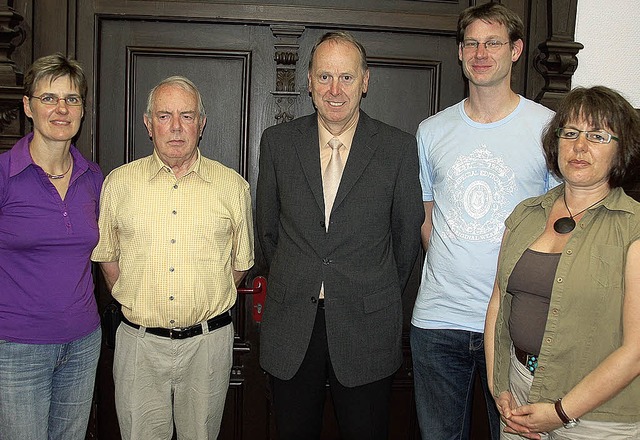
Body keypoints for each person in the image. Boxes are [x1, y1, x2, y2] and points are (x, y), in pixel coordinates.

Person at [256, 31, 423, 439]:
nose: (335, 89)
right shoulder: (278, 142)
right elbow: (267, 230)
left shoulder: (397, 148)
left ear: (365, 81)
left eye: (346, 77)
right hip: (293, 324)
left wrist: (370, 289)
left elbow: (405, 240)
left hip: (367, 326)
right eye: (324, 76)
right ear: (308, 82)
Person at [410, 3, 560, 439]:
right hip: (438, 323)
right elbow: (426, 214)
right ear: (459, 53)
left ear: (515, 51)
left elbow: (562, 217)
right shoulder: (431, 131)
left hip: (517, 325)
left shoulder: (547, 128)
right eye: (471, 43)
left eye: (493, 42)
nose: (481, 52)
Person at [91, 76, 254, 440]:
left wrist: (203, 298)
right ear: (149, 124)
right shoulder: (118, 184)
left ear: (202, 123)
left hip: (207, 348)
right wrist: (141, 301)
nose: (176, 127)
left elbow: (240, 264)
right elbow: (108, 258)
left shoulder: (233, 186)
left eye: (187, 115)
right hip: (139, 346)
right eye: (164, 116)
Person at [485, 86, 640, 439]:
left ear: (622, 150)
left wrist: (560, 412)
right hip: (519, 397)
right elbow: (498, 304)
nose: (580, 146)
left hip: (597, 416)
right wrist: (500, 389)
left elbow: (636, 350)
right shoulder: (524, 215)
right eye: (570, 133)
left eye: (598, 136)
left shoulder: (634, 228)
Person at [0, 54, 103, 439]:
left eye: (72, 99)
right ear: (27, 106)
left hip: (82, 342)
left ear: (82, 109)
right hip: (16, 348)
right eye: (49, 98)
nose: (61, 109)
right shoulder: (4, 175)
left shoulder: (93, 177)